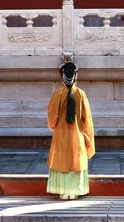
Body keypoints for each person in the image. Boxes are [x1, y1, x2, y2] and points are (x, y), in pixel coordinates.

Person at [46, 61, 95, 200]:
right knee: (76, 160)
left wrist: (54, 125)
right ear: (75, 76)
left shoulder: (57, 94)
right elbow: (88, 120)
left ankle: (62, 191)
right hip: (77, 136)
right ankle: (75, 191)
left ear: (62, 77)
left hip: (61, 135)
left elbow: (51, 120)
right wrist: (88, 138)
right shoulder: (81, 94)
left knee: (61, 160)